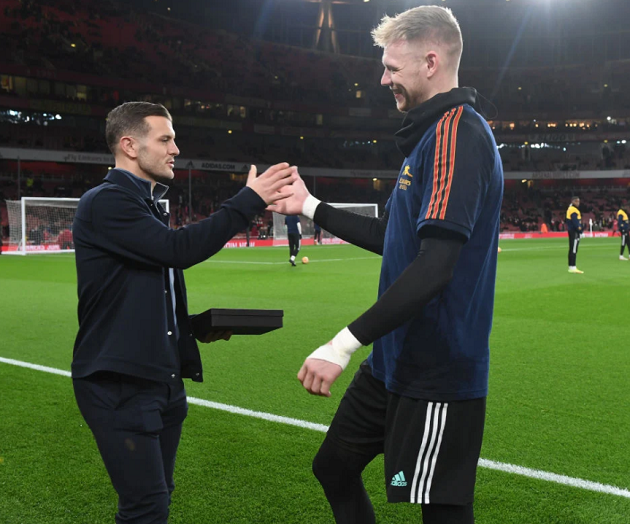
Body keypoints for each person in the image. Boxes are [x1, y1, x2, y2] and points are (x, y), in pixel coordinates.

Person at [273, 6, 502, 524]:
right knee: (334, 467)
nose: (383, 79)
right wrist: (310, 206)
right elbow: (393, 239)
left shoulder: (458, 134)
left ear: (430, 62)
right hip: (393, 364)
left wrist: (341, 344)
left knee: (440, 509)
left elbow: (435, 266)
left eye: (392, 68)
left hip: (436, 373)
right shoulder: (429, 137)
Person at [71, 101, 296, 524]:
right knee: (146, 506)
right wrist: (247, 201)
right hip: (120, 383)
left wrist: (190, 328)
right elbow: (178, 251)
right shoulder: (105, 202)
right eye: (166, 139)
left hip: (161, 379)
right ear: (130, 146)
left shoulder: (147, 204)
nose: (176, 149)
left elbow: (140, 294)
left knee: (158, 498)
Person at [566, 196, 584, 273]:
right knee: (574, 249)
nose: (578, 203)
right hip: (574, 232)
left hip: (572, 231)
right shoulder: (573, 210)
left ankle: (571, 266)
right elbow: (575, 222)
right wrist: (580, 231)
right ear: (573, 201)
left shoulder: (570, 209)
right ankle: (573, 266)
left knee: (572, 249)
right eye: (576, 201)